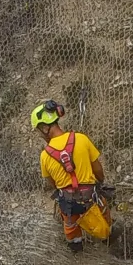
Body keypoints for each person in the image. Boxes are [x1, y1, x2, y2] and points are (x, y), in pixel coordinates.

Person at [30, 99, 114, 253]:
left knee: (70, 227)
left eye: (39, 131)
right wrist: (100, 183)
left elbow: (52, 184)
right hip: (91, 199)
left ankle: (76, 251)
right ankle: (109, 240)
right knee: (104, 218)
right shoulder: (81, 139)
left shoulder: (45, 156)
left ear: (44, 127)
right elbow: (98, 170)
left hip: (69, 205)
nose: (40, 135)